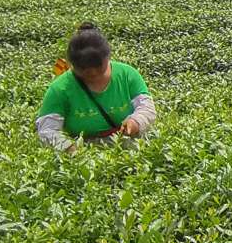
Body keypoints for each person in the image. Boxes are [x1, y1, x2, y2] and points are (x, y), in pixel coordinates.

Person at [36, 22, 156, 150]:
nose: (93, 75)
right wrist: (70, 148)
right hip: (82, 152)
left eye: (99, 69)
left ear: (108, 57)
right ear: (72, 64)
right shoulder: (60, 89)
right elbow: (48, 130)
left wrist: (135, 122)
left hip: (127, 148)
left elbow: (147, 108)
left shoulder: (127, 75)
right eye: (84, 71)